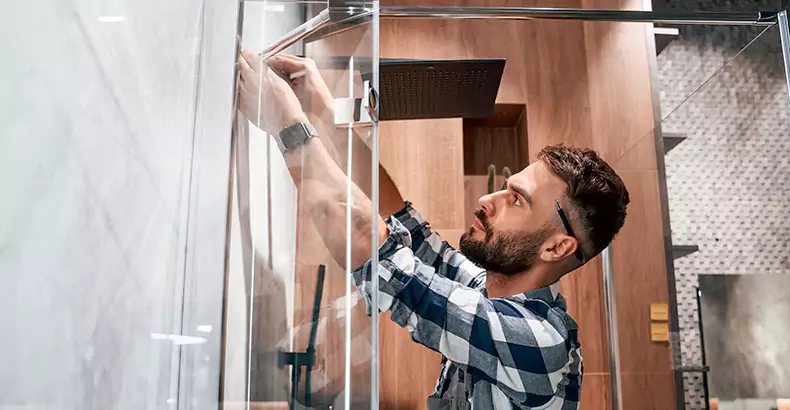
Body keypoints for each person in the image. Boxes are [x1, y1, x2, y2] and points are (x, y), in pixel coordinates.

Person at [237, 50, 630, 410]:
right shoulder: (487, 287)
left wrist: (287, 125)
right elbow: (404, 224)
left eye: (516, 200)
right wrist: (323, 110)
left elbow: (378, 254)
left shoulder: (539, 341)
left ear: (557, 248)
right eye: (505, 187)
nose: (487, 199)